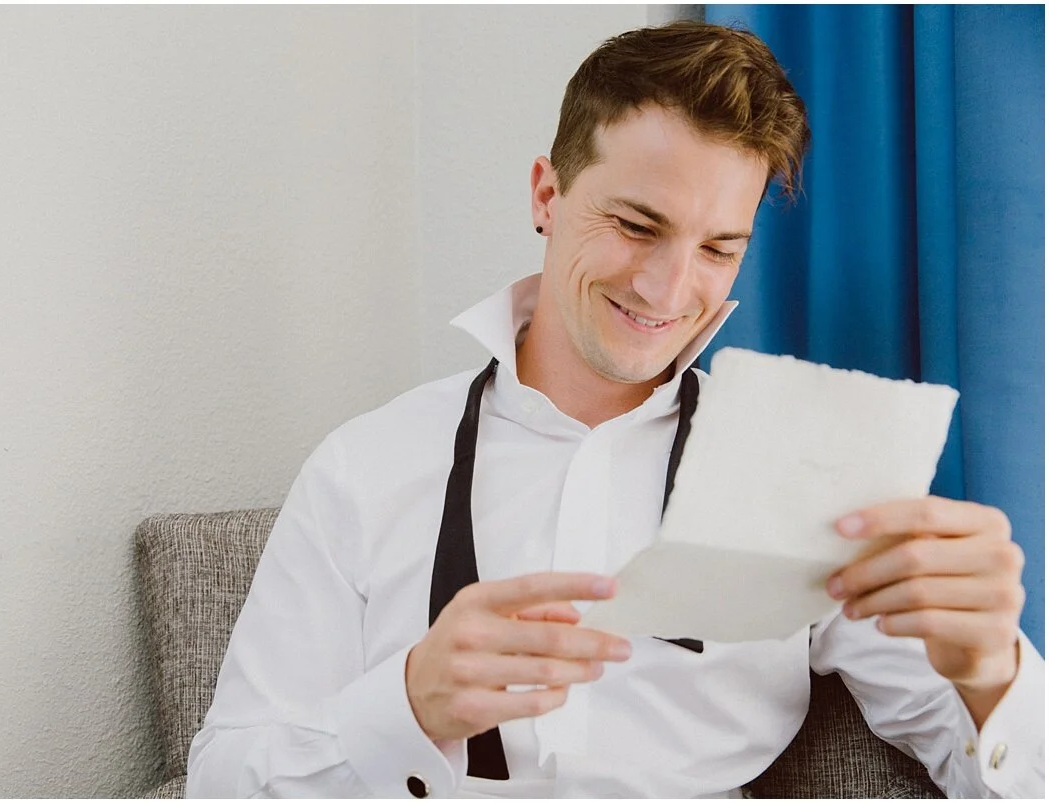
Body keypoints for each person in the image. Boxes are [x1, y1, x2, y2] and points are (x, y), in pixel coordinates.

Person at [186, 21, 1044, 799]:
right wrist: (406, 704)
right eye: (636, 225)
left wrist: (989, 673)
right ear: (546, 196)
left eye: (718, 249)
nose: (669, 290)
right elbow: (221, 779)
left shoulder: (807, 474)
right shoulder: (362, 467)